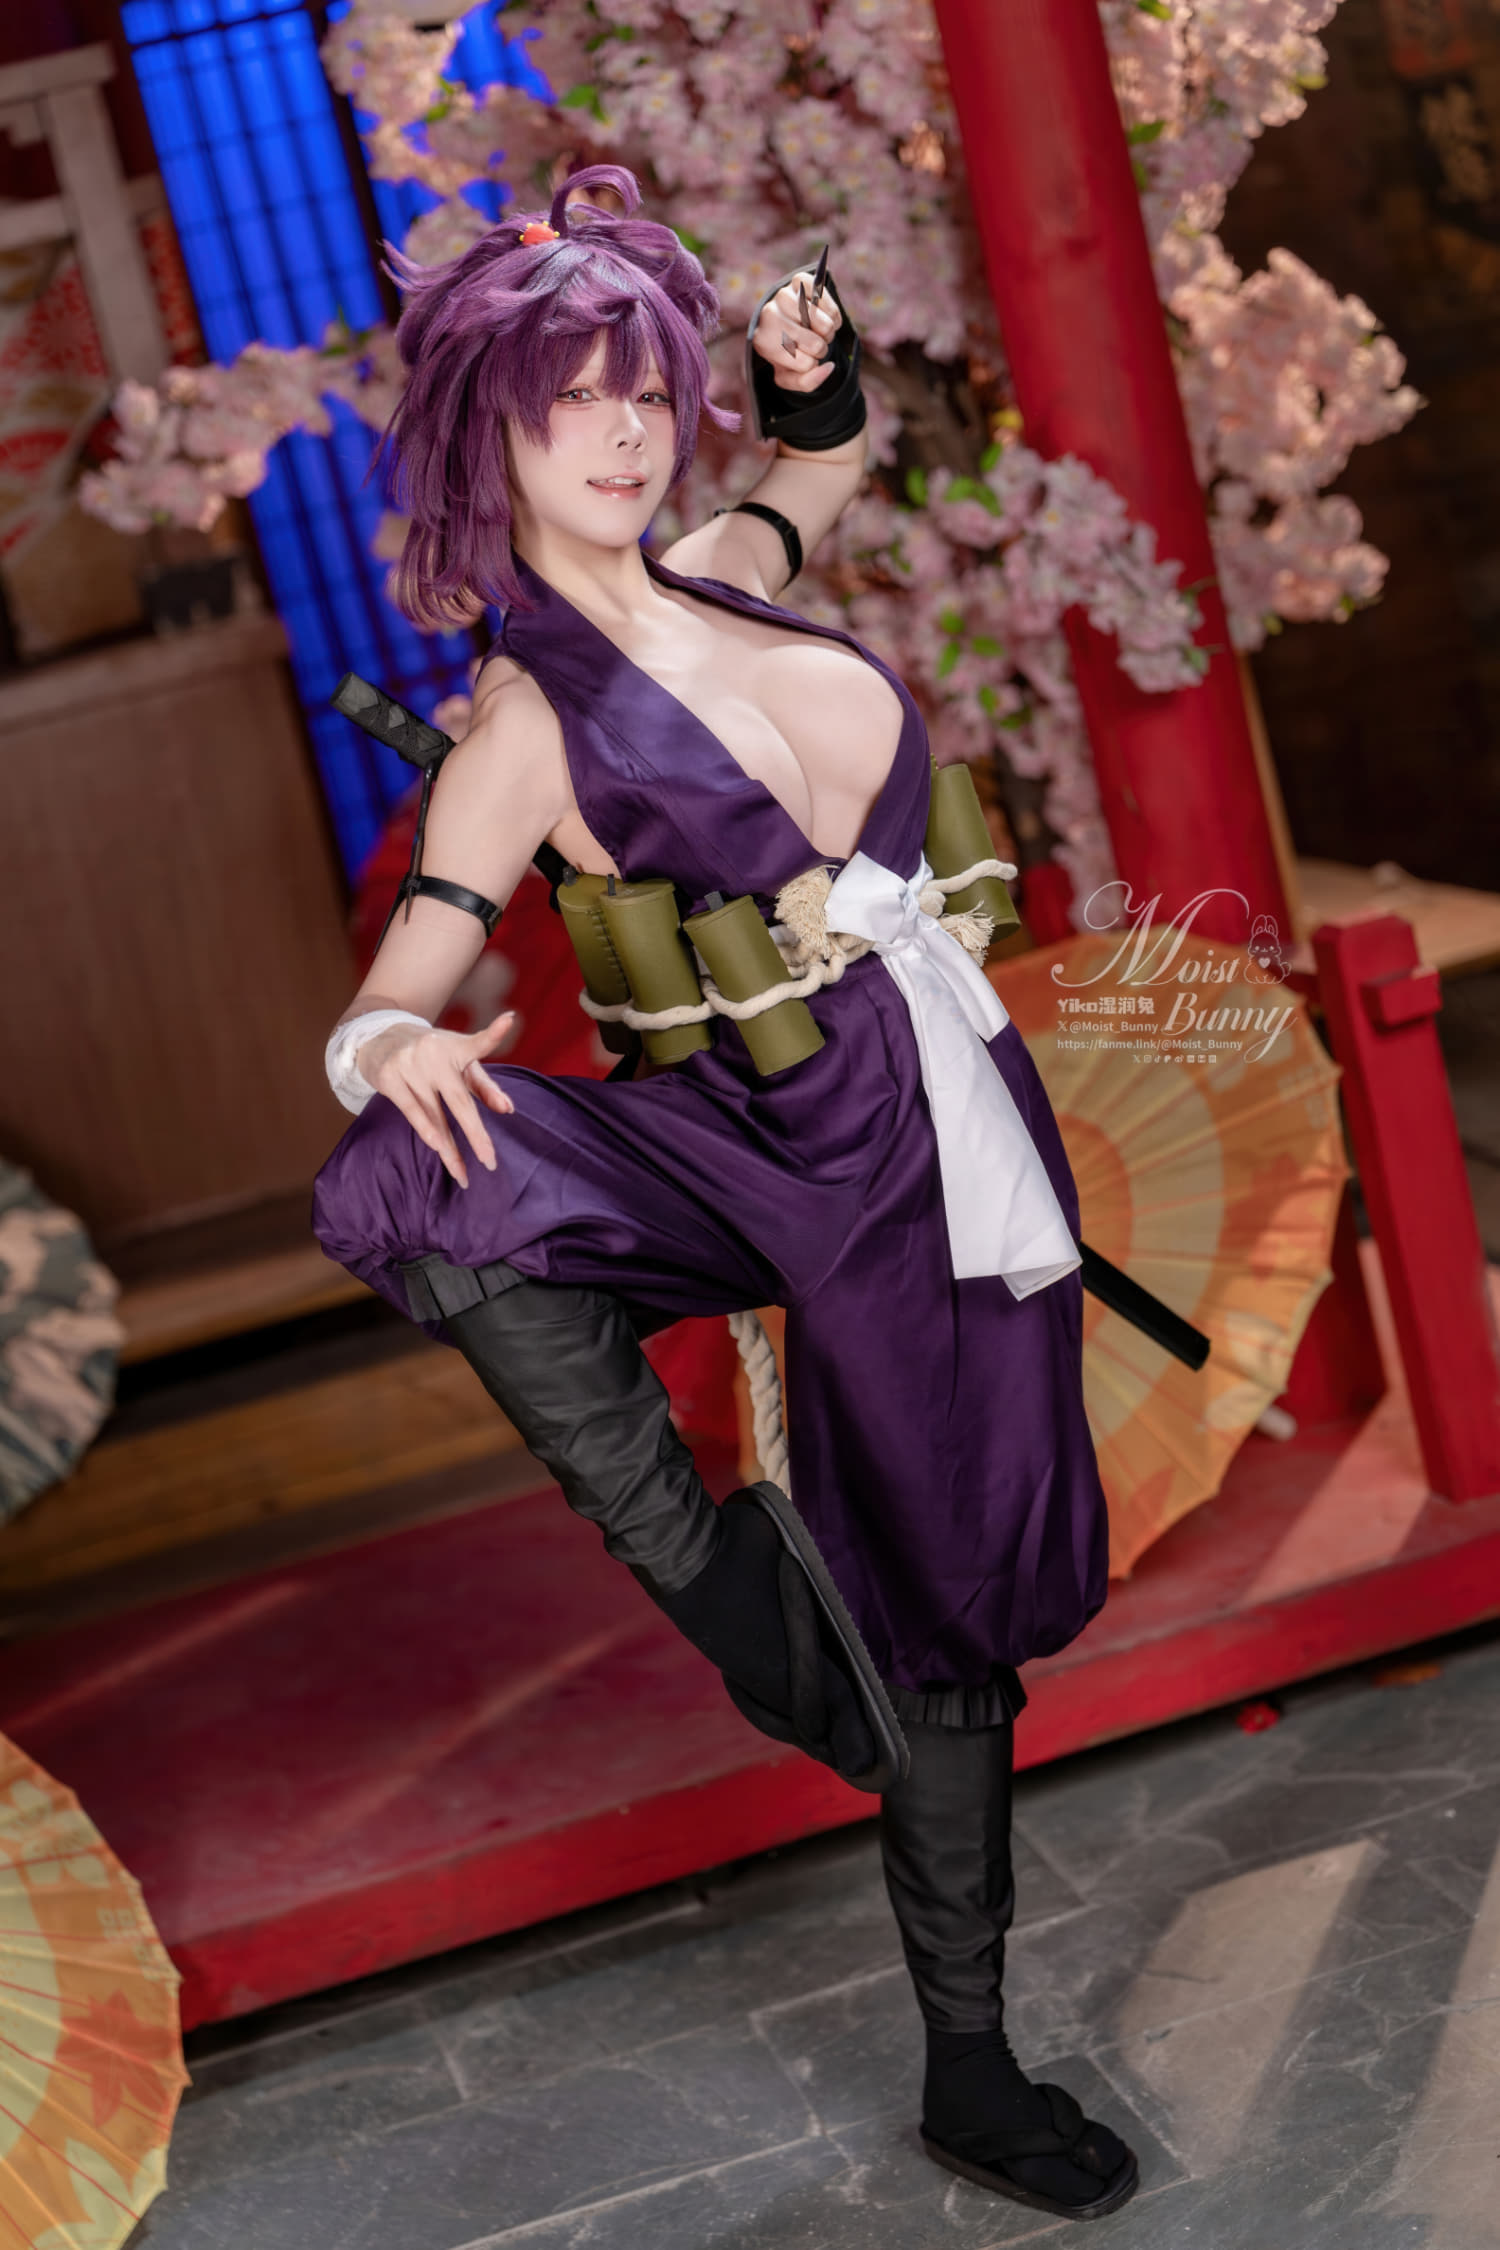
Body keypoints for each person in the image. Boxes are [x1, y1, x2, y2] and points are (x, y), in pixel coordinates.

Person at [313, 164, 1135, 2222]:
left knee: (953, 1589)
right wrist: (386, 1044)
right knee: (423, 1175)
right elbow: (407, 974)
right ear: (489, 437)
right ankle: (733, 1592)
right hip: (751, 1138)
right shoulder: (522, 723)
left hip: (938, 1119)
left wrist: (804, 366)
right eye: (570, 399)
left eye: (643, 388)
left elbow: (823, 457)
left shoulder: (730, 566)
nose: (620, 431)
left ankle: (968, 2064)